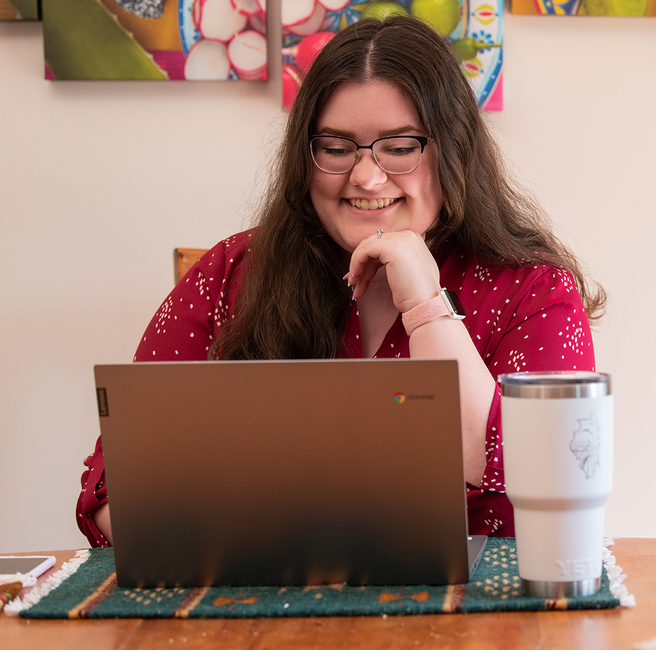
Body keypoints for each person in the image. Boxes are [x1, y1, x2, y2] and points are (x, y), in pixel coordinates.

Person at [76, 16, 605, 548]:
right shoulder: (229, 273)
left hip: (478, 623)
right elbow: (113, 495)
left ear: (454, 150)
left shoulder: (534, 289)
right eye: (336, 147)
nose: (366, 177)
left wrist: (427, 305)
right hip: (262, 614)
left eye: (400, 147)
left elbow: (549, 483)